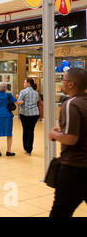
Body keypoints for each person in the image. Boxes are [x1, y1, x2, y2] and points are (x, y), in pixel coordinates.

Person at [49, 68, 87, 217]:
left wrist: (54, 135)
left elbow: (71, 138)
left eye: (63, 80)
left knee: (60, 212)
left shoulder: (71, 103)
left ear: (71, 84)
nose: (62, 83)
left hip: (74, 168)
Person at [0, 82, 17, 157]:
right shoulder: (9, 95)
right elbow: (16, 102)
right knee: (9, 134)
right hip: (7, 115)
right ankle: (8, 151)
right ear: (5, 88)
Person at [15, 78, 41, 156]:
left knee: (25, 130)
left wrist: (16, 100)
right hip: (34, 114)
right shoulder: (36, 93)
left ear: (28, 83)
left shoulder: (23, 92)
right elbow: (37, 101)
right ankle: (29, 150)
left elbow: (19, 103)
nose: (24, 83)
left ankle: (26, 148)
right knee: (31, 131)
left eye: (24, 82)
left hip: (25, 114)